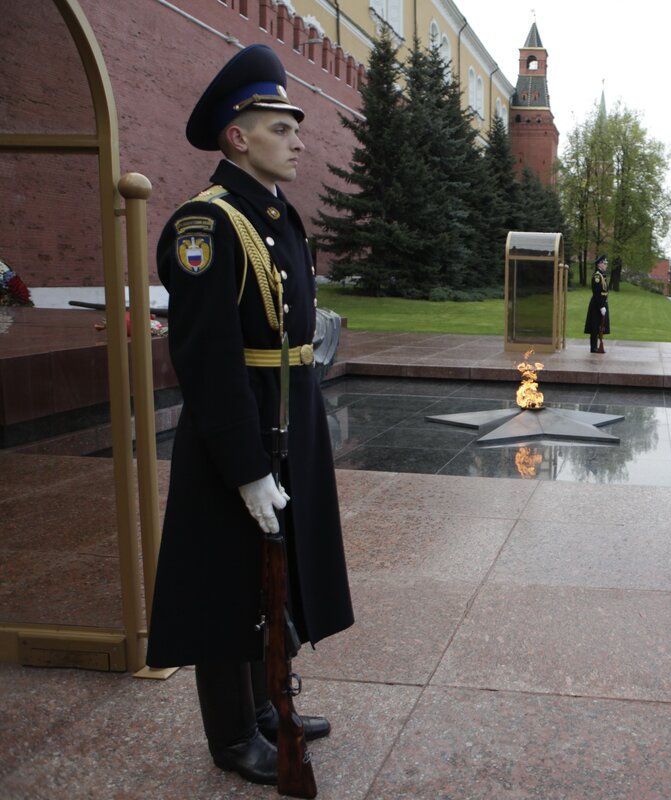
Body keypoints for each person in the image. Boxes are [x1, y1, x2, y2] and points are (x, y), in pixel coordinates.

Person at [145, 44, 354, 787]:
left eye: (295, 126)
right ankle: (233, 737)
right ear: (237, 136)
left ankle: (270, 708)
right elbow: (206, 361)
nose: (299, 138)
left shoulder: (275, 214)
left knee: (275, 573)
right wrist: (248, 471)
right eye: (280, 127)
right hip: (240, 437)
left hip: (287, 420)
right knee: (226, 582)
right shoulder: (206, 228)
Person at [584, 253, 610, 353]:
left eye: (606, 263)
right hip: (597, 304)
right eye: (604, 263)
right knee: (595, 326)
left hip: (602, 303)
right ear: (599, 264)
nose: (606, 265)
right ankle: (593, 347)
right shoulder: (597, 276)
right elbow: (597, 293)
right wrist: (601, 306)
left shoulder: (602, 275)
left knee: (601, 326)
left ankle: (598, 346)